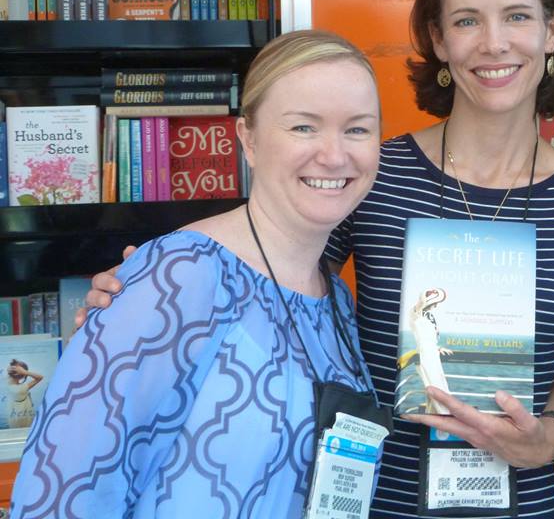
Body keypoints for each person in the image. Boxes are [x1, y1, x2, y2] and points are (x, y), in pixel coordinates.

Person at [80, 0, 554, 518]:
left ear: (551, 30)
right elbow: (270, 281)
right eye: (467, 20)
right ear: (438, 39)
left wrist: (548, 437)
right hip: (368, 500)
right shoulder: (369, 172)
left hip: (520, 503)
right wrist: (156, 292)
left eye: (517, 17)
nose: (493, 43)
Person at [12, 31, 384, 518]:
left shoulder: (335, 301)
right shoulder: (180, 276)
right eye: (303, 127)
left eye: (357, 129)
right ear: (248, 139)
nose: (334, 156)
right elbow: (62, 491)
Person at [409, 288, 453, 413]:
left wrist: (438, 348)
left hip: (433, 355)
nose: (436, 305)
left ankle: (436, 418)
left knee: (439, 389)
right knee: (437, 391)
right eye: (435, 302)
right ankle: (446, 416)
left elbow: (428, 338)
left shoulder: (429, 317)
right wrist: (426, 297)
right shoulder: (415, 314)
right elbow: (418, 307)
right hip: (425, 356)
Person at [5, 360, 43, 429]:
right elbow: (40, 377)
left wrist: (11, 370)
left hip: (13, 417)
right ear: (23, 375)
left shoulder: (7, 385)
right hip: (24, 418)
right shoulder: (22, 388)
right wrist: (25, 372)